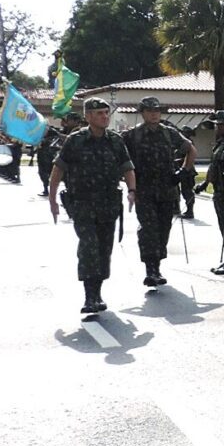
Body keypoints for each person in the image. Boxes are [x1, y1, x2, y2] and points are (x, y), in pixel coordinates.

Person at [47, 98, 137, 314]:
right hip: (83, 205)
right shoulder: (75, 141)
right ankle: (89, 296)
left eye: (106, 113)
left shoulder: (115, 141)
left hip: (108, 205)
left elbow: (127, 168)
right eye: (99, 113)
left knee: (105, 249)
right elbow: (58, 170)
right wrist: (52, 200)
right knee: (89, 247)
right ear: (88, 117)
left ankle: (97, 292)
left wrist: (132, 191)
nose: (104, 117)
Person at [122, 96, 196, 287]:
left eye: (157, 110)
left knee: (163, 229)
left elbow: (190, 150)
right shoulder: (132, 135)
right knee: (148, 229)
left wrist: (183, 172)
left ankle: (157, 264)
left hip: (167, 190)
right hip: (144, 191)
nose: (154, 114)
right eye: (150, 110)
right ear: (143, 113)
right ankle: (151, 269)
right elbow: (120, 157)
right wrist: (127, 181)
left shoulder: (169, 133)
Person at [195, 111, 224, 275]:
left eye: (222, 124)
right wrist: (205, 183)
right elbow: (214, 166)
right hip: (219, 191)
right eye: (217, 124)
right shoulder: (220, 142)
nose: (218, 127)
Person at [178, 125, 198, 219]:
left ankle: (190, 211)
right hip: (183, 169)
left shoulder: (189, 144)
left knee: (187, 191)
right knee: (183, 190)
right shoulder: (183, 143)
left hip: (188, 171)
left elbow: (186, 156)